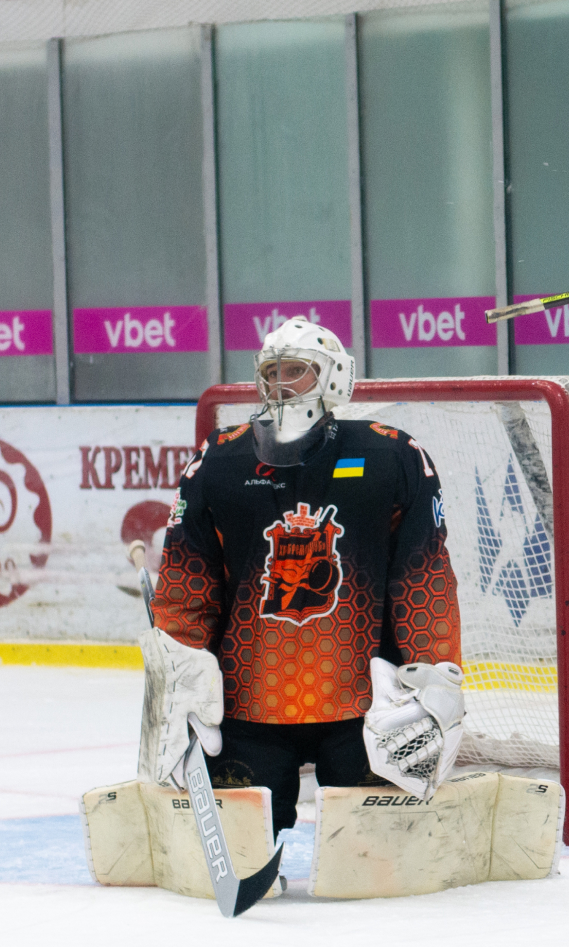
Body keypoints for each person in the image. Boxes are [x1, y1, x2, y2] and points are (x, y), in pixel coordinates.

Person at [148, 319, 465, 838]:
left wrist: (434, 673)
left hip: (365, 704)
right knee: (245, 846)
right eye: (271, 371)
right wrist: (178, 675)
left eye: (296, 370)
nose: (281, 384)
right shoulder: (220, 460)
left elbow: (422, 576)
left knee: (370, 861)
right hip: (249, 703)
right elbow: (188, 577)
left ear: (335, 375)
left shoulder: (392, 454)